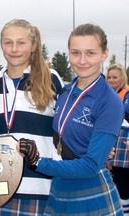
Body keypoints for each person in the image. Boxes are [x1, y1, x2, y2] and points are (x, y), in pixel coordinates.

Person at [19, 23, 124, 215]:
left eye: (90, 53)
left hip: (91, 192)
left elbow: (90, 166)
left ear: (104, 53)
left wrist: (39, 163)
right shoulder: (65, 91)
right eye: (75, 53)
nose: (82, 60)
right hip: (60, 188)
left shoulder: (109, 101)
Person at [0, 19, 64, 215]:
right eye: (8, 42)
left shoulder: (51, 78)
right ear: (1, 45)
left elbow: (69, 127)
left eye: (21, 42)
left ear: (33, 45)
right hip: (1, 187)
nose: (14, 49)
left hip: (42, 186)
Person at [106, 63, 129, 215]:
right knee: (115, 182)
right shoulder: (105, 95)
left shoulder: (126, 95)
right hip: (110, 142)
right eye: (109, 77)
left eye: (115, 77)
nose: (111, 80)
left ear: (122, 78)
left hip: (124, 145)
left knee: (123, 182)